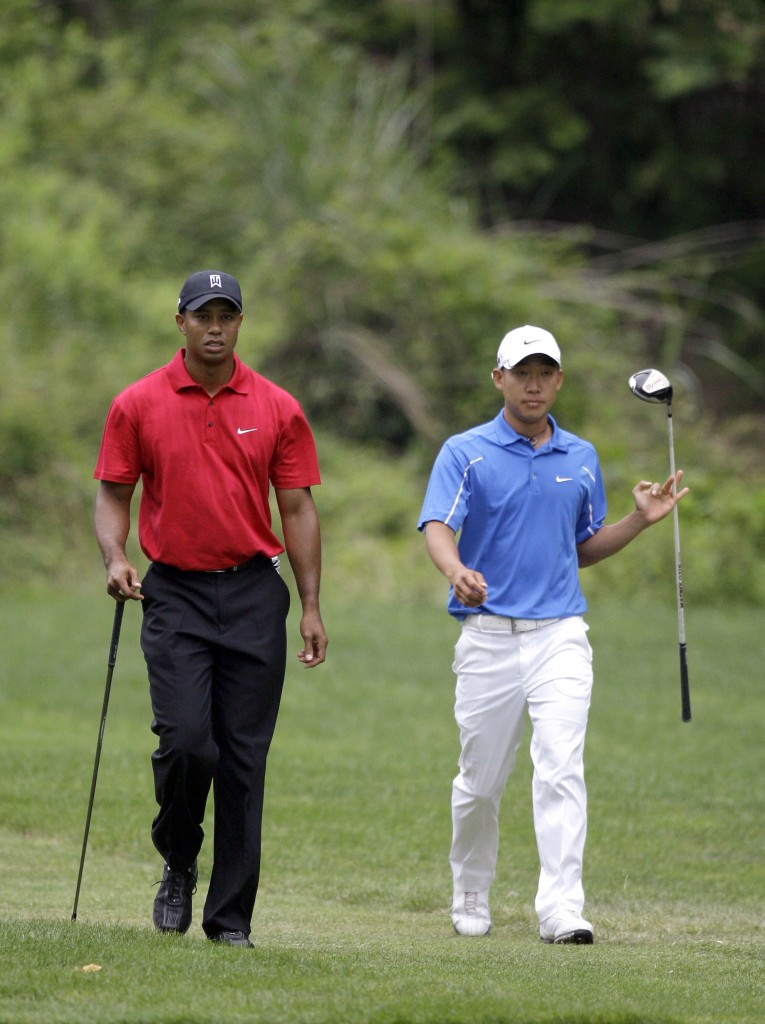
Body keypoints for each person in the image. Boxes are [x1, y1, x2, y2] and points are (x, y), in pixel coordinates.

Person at [418, 325, 687, 944]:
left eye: (545, 372)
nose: (533, 383)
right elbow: (437, 523)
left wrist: (640, 522)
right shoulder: (466, 451)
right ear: (499, 379)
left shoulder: (581, 457)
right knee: (480, 781)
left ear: (559, 380)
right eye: (522, 372)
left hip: (560, 634)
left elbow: (583, 547)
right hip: (487, 635)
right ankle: (469, 888)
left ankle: (561, 908)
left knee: (561, 768)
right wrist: (456, 570)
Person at [94, 269, 327, 948]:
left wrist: (310, 603)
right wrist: (115, 557)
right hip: (174, 592)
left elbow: (296, 507)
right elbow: (113, 493)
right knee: (189, 742)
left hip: (255, 590)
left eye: (227, 314)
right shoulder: (138, 403)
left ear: (240, 323)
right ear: (181, 323)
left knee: (244, 763)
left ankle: (230, 922)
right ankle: (178, 854)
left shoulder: (277, 405)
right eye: (203, 315)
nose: (215, 326)